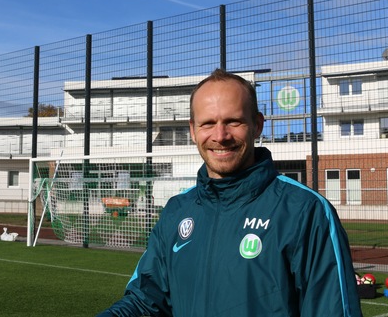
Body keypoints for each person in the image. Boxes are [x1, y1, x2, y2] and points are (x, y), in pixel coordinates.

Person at [98, 69, 362, 316]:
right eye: (208, 123)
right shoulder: (177, 210)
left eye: (233, 121)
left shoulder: (305, 211)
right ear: (193, 130)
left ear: (257, 125)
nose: (220, 135)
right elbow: (145, 299)